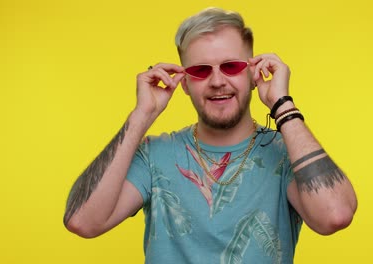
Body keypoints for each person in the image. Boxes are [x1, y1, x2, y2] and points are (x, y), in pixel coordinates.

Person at [64, 7, 357, 264]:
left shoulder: (286, 152)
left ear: (252, 74)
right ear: (186, 83)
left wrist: (283, 106)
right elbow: (83, 222)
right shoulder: (155, 155)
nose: (217, 81)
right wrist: (142, 115)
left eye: (230, 66)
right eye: (201, 70)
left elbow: (335, 215)